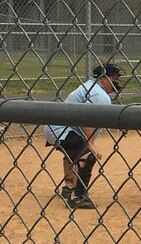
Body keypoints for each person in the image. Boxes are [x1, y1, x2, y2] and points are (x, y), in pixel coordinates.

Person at [43, 63, 123, 210]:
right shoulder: (99, 95)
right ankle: (77, 196)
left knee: (74, 152)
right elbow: (88, 119)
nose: (116, 81)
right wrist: (90, 143)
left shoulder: (90, 87)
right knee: (87, 155)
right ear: (104, 78)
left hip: (56, 127)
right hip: (61, 129)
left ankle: (68, 188)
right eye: (114, 77)